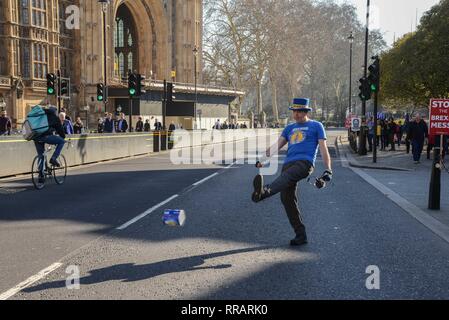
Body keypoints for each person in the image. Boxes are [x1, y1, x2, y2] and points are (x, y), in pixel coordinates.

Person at [251, 98, 333, 246]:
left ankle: (264, 192)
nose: (296, 114)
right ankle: (301, 235)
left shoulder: (316, 126)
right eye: (294, 111)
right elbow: (277, 145)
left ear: (306, 111)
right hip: (288, 164)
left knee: (286, 177)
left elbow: (323, 148)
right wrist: (262, 158)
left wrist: (328, 170)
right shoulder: (289, 128)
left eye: (299, 111)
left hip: (305, 163)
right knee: (287, 199)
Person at [32, 107, 66, 183]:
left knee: (41, 155)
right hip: (46, 137)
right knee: (61, 142)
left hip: (36, 137)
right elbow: (60, 130)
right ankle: (53, 158)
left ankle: (41, 175)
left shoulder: (42, 116)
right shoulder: (55, 117)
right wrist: (63, 137)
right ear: (55, 112)